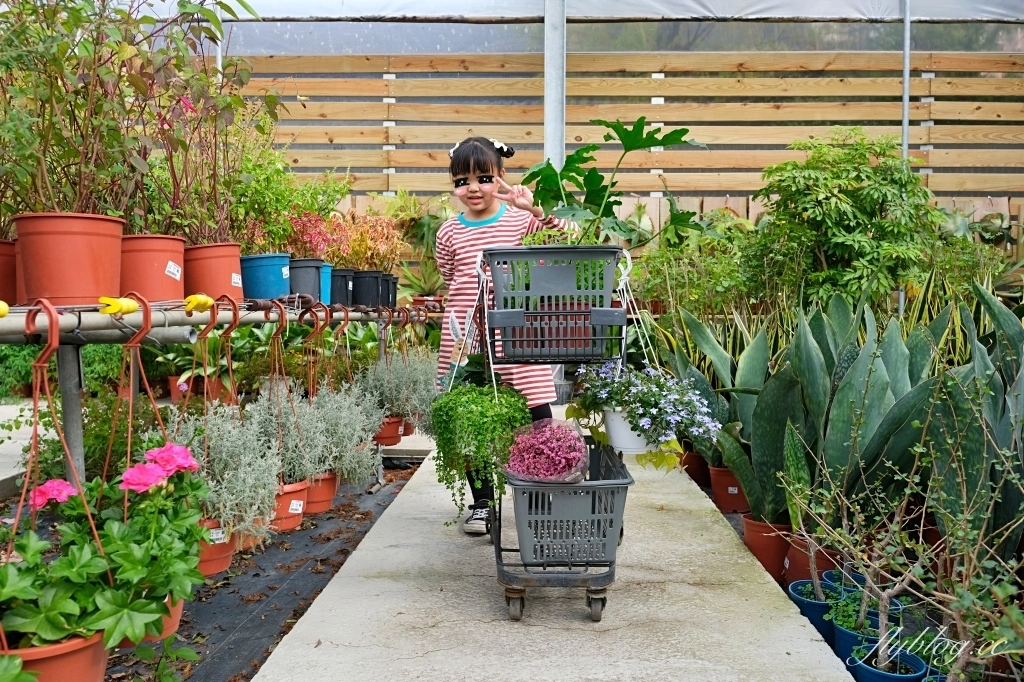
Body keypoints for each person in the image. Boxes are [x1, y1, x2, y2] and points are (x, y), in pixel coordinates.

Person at [434, 136, 563, 534]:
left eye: (484, 178)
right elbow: (449, 276)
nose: (472, 189)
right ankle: (483, 503)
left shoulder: (518, 219)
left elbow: (562, 241)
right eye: (462, 181)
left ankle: (544, 495)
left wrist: (535, 210)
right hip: (464, 334)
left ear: (502, 177)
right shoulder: (448, 232)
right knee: (469, 414)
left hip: (517, 328)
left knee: (534, 407)